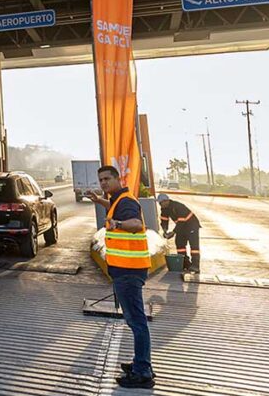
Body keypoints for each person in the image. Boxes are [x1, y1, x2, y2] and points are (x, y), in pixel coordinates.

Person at [87, 166, 155, 389]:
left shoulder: (126, 201)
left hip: (128, 271)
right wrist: (99, 201)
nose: (103, 183)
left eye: (107, 179)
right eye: (101, 180)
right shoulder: (118, 199)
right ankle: (140, 363)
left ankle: (142, 371)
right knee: (135, 319)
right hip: (125, 269)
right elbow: (114, 208)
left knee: (136, 321)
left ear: (118, 179)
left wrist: (117, 224)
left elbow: (135, 224)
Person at [157, 193, 202, 273]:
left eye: (161, 203)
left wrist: (173, 232)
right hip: (182, 227)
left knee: (194, 247)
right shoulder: (164, 209)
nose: (160, 205)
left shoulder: (178, 206)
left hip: (192, 226)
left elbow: (182, 220)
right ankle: (185, 264)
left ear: (165, 201)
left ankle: (195, 266)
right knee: (180, 244)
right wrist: (164, 230)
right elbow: (164, 219)